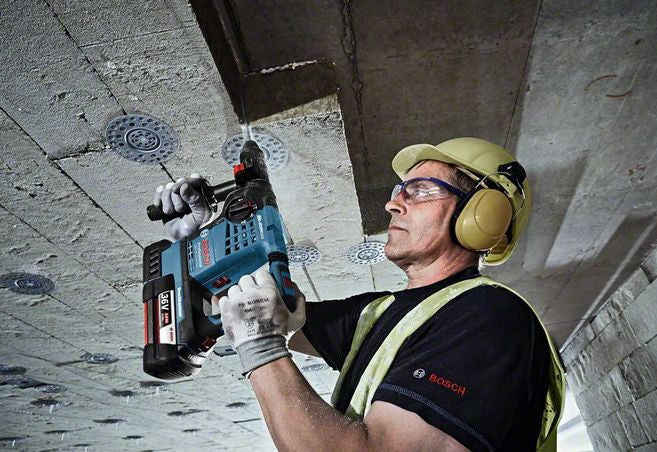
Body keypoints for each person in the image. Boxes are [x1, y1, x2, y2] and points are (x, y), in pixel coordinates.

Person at [153, 137, 565, 451]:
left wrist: (260, 346)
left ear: (482, 216)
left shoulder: (491, 319)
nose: (393, 205)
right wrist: (201, 248)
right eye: (400, 190)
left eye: (421, 190)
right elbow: (261, 309)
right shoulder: (380, 312)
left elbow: (260, 330)